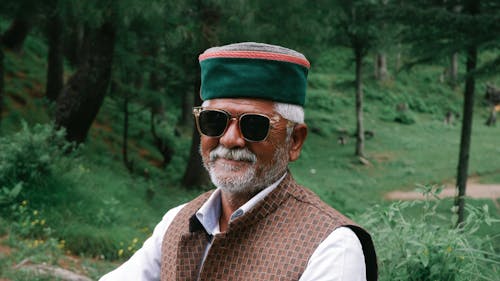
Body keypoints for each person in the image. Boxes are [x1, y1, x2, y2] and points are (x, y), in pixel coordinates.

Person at [99, 42, 377, 281]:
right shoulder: (176, 222)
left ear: (294, 141)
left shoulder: (332, 247)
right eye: (214, 120)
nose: (230, 140)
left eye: (254, 126)